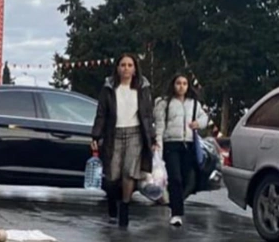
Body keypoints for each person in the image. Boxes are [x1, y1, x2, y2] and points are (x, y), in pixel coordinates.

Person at [90, 53, 157, 229]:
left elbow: (148, 115)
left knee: (129, 172)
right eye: (122, 65)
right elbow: (101, 114)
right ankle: (113, 205)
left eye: (129, 65)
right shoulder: (109, 88)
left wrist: (152, 137)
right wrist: (96, 136)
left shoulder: (142, 88)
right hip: (114, 134)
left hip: (135, 133)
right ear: (117, 68)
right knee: (112, 175)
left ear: (135, 69)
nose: (126, 68)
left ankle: (125, 209)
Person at [153, 74, 209, 227]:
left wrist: (198, 123)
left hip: (188, 144)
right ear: (173, 84)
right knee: (175, 178)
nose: (181, 86)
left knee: (185, 178)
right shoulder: (164, 102)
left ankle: (173, 201)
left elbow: (205, 118)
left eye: (184, 83)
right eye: (178, 83)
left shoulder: (194, 103)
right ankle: (177, 213)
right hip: (171, 144)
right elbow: (159, 125)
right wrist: (158, 144)